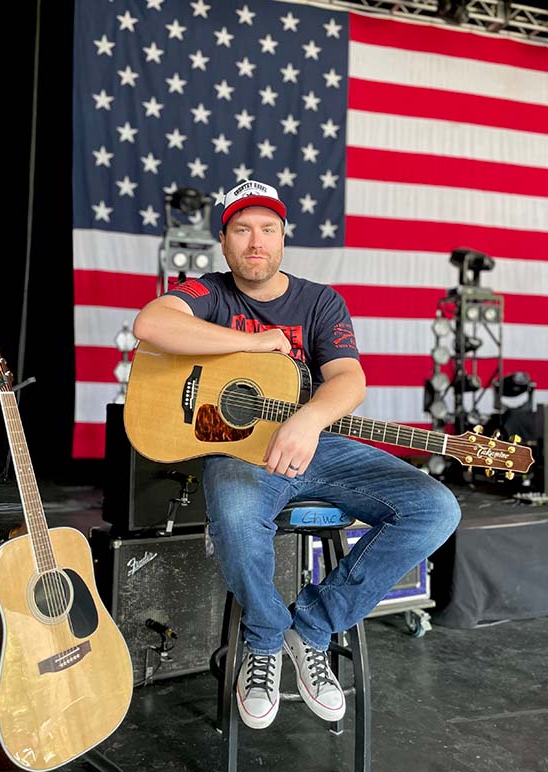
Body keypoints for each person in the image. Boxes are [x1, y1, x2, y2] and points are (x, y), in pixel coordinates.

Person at [132, 180, 461, 730]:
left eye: (267, 229)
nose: (254, 242)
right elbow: (151, 325)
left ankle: (309, 628)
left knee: (437, 508)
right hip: (241, 452)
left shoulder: (319, 300)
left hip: (320, 445)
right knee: (236, 516)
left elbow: (349, 380)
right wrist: (257, 344)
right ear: (224, 239)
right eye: (241, 230)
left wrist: (308, 420)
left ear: (284, 237)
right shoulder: (207, 292)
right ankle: (262, 639)